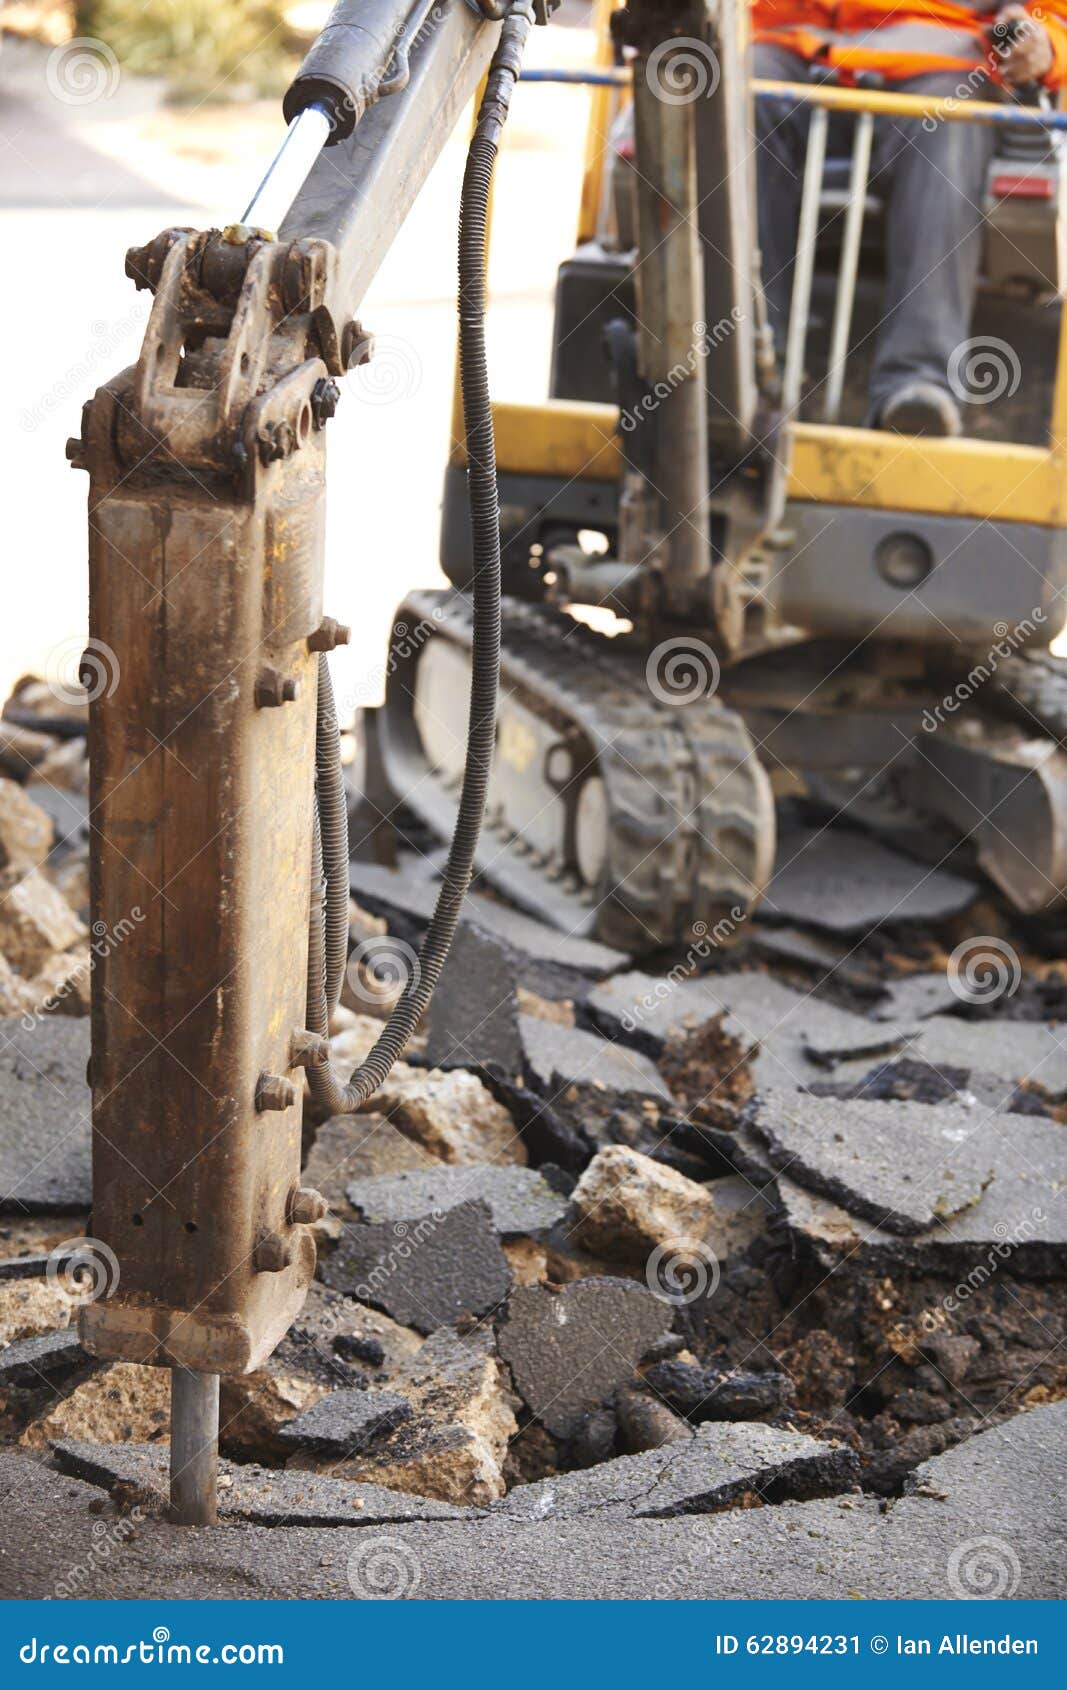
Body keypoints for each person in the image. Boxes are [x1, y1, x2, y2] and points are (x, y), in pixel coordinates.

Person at [750, 1, 1064, 432]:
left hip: (940, 68)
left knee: (949, 121)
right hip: (796, 47)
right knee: (737, 98)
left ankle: (918, 384)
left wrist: (1047, 43)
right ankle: (744, 368)